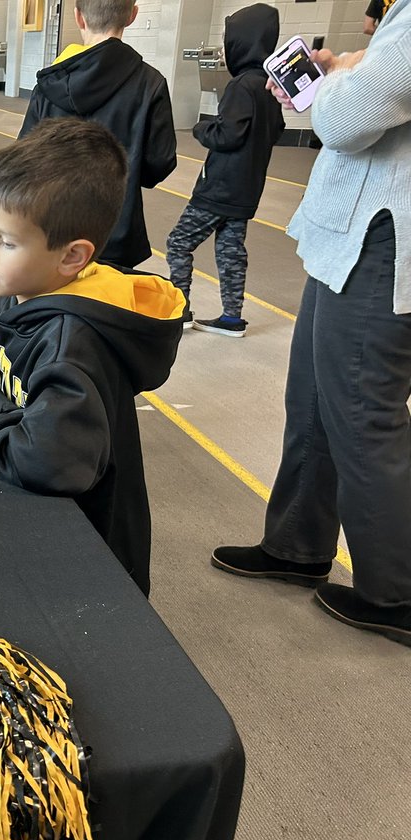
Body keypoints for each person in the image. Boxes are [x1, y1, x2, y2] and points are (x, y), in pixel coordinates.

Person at [211, 1, 411, 647]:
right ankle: (297, 544)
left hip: (383, 237)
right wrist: (350, 65)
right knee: (316, 399)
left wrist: (327, 86)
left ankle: (398, 591)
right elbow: (384, 84)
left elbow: (350, 119)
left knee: (361, 412)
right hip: (353, 234)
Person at [0, 118, 185, 596]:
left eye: (5, 241)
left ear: (71, 257)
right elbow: (1, 356)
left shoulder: (73, 343)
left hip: (90, 554)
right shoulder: (28, 289)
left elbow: (48, 461)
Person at [18, 0, 176, 269]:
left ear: (78, 17)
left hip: (54, 229)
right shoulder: (151, 83)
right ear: (132, 16)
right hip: (116, 233)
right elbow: (158, 163)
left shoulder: (49, 83)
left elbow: (24, 158)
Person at [165, 3, 284, 337]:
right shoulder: (269, 87)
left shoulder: (241, 86)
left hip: (218, 187)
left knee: (178, 243)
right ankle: (232, 317)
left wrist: (202, 129)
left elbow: (227, 134)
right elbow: (276, 131)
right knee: (230, 249)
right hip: (247, 188)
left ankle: (179, 310)